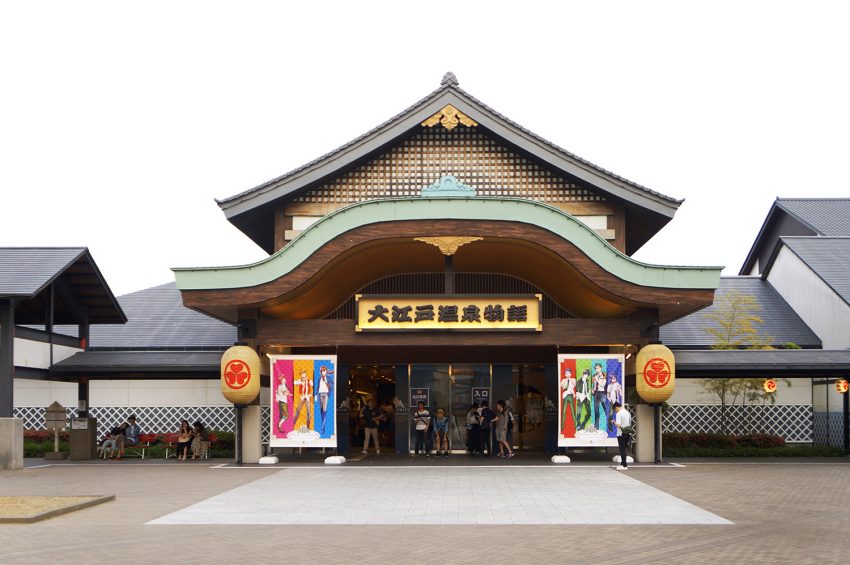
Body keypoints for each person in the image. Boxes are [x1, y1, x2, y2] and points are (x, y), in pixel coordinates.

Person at [612, 402, 631, 470]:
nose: (615, 412)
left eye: (615, 410)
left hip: (621, 433)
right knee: (624, 449)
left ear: (616, 407)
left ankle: (624, 465)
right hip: (627, 432)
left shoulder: (619, 413)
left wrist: (614, 422)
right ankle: (622, 463)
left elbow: (619, 425)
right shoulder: (627, 412)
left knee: (622, 449)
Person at [316, 365, 334, 435]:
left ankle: (323, 428)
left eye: (325, 371)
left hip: (326, 394)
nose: (323, 372)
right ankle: (322, 425)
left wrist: (327, 380)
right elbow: (318, 387)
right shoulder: (319, 378)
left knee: (324, 410)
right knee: (321, 410)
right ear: (321, 372)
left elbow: (332, 384)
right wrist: (316, 395)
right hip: (320, 394)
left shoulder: (328, 378)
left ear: (326, 371)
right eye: (322, 371)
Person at [560, 366, 577, 435]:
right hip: (565, 395)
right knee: (563, 411)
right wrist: (565, 381)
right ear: (564, 374)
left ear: (571, 373)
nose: (567, 374)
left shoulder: (573, 379)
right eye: (566, 373)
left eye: (569, 373)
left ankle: (576, 426)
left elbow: (575, 385)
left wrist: (570, 379)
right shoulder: (563, 380)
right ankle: (562, 427)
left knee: (573, 411)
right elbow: (562, 386)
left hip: (570, 395)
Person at [593, 362, 609, 430]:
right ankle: (596, 426)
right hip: (596, 393)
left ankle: (609, 424)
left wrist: (597, 379)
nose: (597, 369)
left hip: (602, 393)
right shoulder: (594, 375)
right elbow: (594, 384)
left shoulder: (604, 374)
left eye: (598, 368)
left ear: (601, 368)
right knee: (596, 410)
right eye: (596, 368)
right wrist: (593, 389)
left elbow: (603, 385)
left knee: (605, 408)